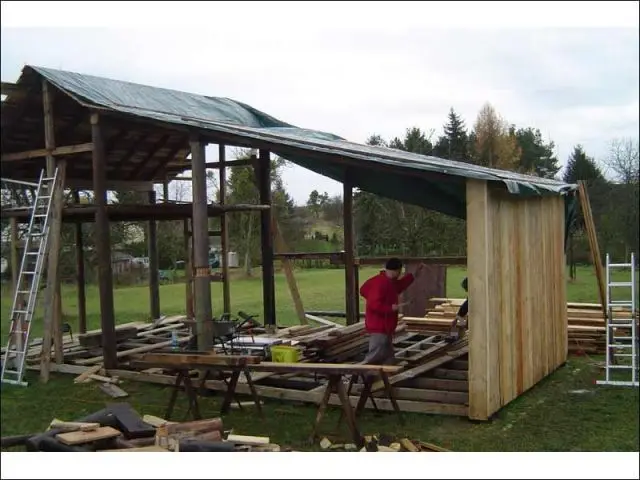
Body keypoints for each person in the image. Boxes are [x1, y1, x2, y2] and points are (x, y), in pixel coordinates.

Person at [359, 258, 425, 365]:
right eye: (400, 272)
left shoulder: (390, 282)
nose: (400, 274)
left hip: (386, 327)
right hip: (379, 327)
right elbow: (373, 304)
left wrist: (414, 274)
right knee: (373, 358)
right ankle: (363, 377)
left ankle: (388, 378)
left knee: (388, 358)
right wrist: (390, 308)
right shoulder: (380, 283)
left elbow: (401, 285)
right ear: (396, 270)